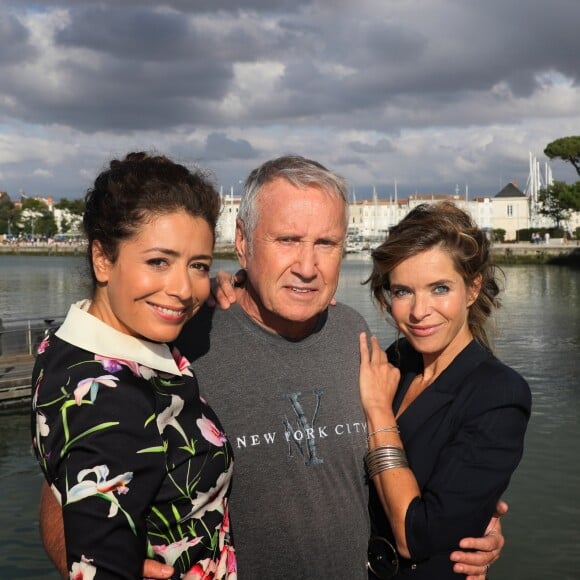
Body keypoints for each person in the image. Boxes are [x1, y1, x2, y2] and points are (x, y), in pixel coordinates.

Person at [40, 155, 504, 579]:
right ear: (242, 242)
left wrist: (464, 528)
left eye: (326, 243)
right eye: (287, 240)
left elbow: (393, 466)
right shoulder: (179, 336)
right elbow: (67, 488)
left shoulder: (353, 333)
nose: (308, 265)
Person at [31, 152, 236, 579]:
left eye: (197, 265)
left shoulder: (69, 346)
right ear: (103, 259)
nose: (182, 289)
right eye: (158, 261)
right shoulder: (108, 396)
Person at [359, 201, 531, 578]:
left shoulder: (498, 394)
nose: (420, 311)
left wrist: (378, 411)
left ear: (472, 289)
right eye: (403, 291)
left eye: (440, 288)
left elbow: (416, 536)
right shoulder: (394, 361)